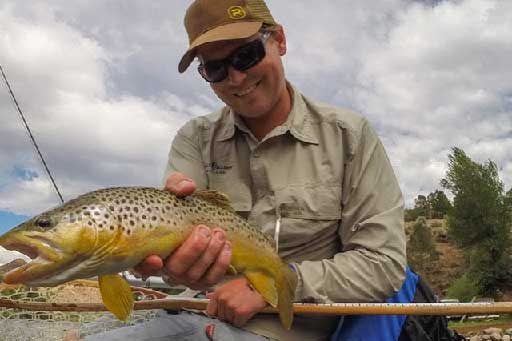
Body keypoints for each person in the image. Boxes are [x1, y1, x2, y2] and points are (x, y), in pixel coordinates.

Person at [76, 0, 407, 340]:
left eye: (246, 55)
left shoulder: (349, 136)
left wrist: (271, 286)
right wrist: (167, 262)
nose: (236, 77)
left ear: (279, 40)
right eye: (215, 69)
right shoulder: (194, 139)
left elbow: (384, 264)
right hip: (194, 315)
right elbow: (176, 268)